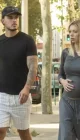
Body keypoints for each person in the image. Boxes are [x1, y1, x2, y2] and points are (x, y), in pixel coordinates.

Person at [0, 6, 37, 140]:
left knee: (24, 134)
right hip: (1, 96)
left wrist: (27, 88)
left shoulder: (27, 41)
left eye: (16, 17)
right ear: (2, 21)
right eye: (10, 17)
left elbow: (33, 66)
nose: (14, 20)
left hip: (21, 97)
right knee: (0, 131)